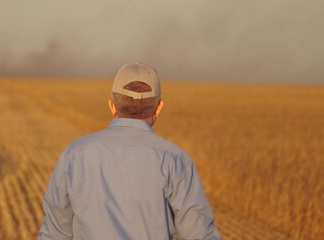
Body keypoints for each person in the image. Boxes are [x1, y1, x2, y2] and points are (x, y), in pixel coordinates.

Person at [38, 63, 221, 239]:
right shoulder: (176, 159)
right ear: (159, 107)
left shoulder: (75, 154)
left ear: (112, 106)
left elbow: (53, 233)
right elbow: (199, 234)